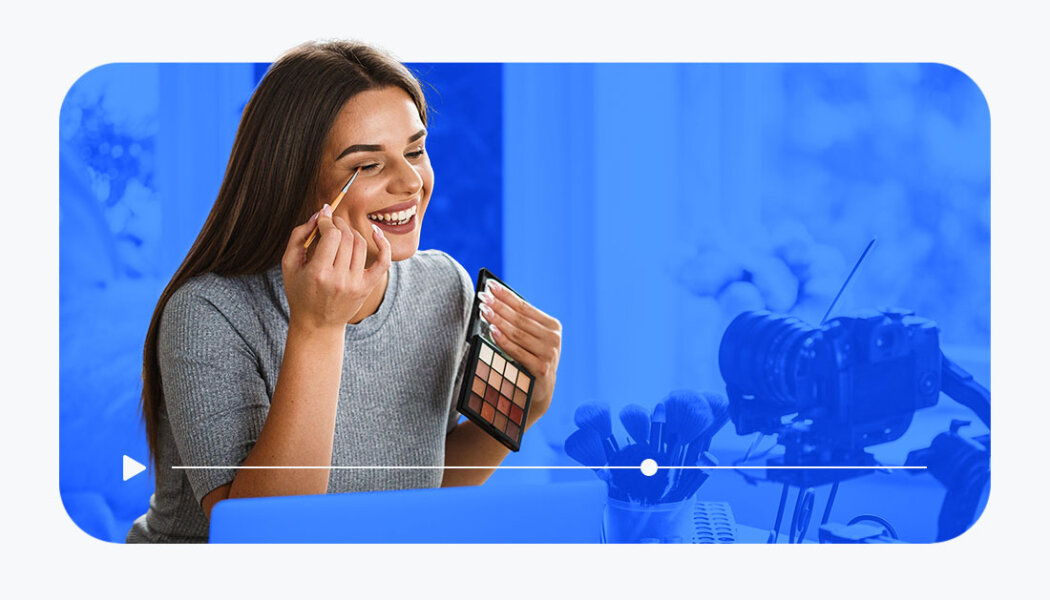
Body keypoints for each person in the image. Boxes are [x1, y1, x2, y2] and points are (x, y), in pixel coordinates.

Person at [127, 40, 562, 543]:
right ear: (296, 181)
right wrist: (317, 327)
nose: (409, 182)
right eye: (368, 165)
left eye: (415, 150)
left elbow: (415, 494)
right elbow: (263, 541)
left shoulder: (444, 287)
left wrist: (517, 412)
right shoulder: (208, 313)